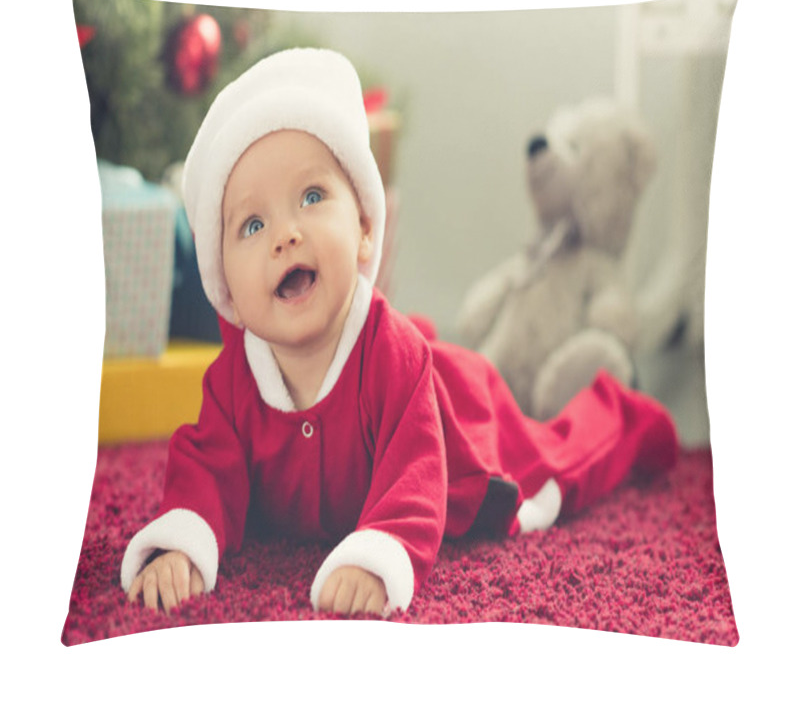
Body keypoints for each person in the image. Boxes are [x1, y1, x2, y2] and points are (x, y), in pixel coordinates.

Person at [121, 48, 678, 618]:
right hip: (417, 380)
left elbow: (414, 473)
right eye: (252, 224)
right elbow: (206, 466)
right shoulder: (235, 381)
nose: (285, 235)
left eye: (312, 198)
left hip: (463, 442)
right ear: (228, 293)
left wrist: (380, 550)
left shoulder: (392, 356)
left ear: (364, 230)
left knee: (555, 468)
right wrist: (184, 541)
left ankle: (618, 410)